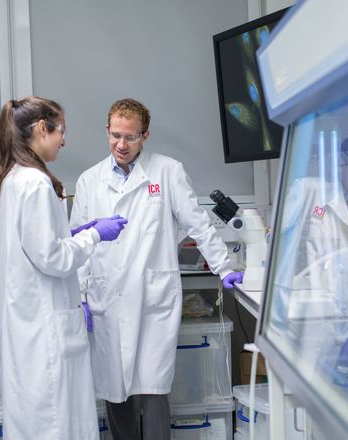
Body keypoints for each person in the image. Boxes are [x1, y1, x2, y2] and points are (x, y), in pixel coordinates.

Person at [70, 98, 244, 440]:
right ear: (107, 131)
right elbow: (79, 244)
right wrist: (79, 295)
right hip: (107, 297)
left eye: (131, 137)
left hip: (152, 299)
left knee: (153, 389)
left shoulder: (167, 171)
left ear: (145, 136)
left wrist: (225, 268)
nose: (121, 144)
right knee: (115, 389)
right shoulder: (89, 180)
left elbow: (199, 226)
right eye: (116, 135)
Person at [0, 96, 128, 439]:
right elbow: (53, 259)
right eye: (60, 131)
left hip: (27, 324)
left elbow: (37, 245)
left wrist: (72, 233)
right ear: (40, 129)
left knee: (35, 419)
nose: (64, 140)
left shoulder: (14, 179)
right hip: (43, 328)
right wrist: (95, 234)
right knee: (54, 423)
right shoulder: (36, 183)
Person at [277, 132, 348, 373]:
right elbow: (273, 240)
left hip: (338, 323)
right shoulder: (309, 191)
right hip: (297, 314)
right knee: (287, 390)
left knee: (315, 397)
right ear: (341, 164)